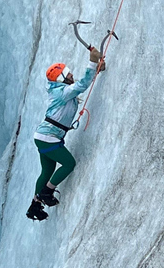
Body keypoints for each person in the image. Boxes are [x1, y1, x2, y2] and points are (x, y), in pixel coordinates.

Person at [26, 47, 106, 221]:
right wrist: (92, 63)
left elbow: (78, 86)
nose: (70, 75)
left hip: (43, 136)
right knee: (69, 163)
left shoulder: (59, 91)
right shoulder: (62, 92)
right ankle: (46, 193)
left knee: (47, 170)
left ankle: (34, 205)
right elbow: (80, 86)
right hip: (48, 138)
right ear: (61, 78)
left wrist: (96, 72)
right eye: (67, 73)